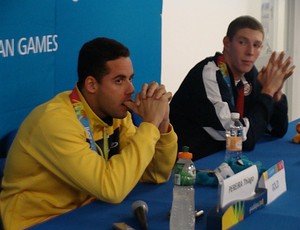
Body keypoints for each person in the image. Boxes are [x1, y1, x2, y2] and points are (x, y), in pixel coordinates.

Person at [0, 37, 178, 229]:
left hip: (90, 212)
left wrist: (161, 124)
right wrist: (150, 124)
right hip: (39, 223)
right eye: (119, 81)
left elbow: (155, 175)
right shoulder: (55, 122)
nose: (131, 89)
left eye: (130, 78)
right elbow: (112, 189)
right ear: (92, 85)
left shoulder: (116, 113)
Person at [170, 15, 295, 160]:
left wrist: (276, 95)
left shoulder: (248, 74)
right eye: (242, 42)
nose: (250, 52)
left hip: (222, 157)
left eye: (256, 45)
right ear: (227, 43)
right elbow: (240, 138)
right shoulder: (210, 74)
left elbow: (276, 130)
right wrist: (267, 92)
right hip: (189, 165)